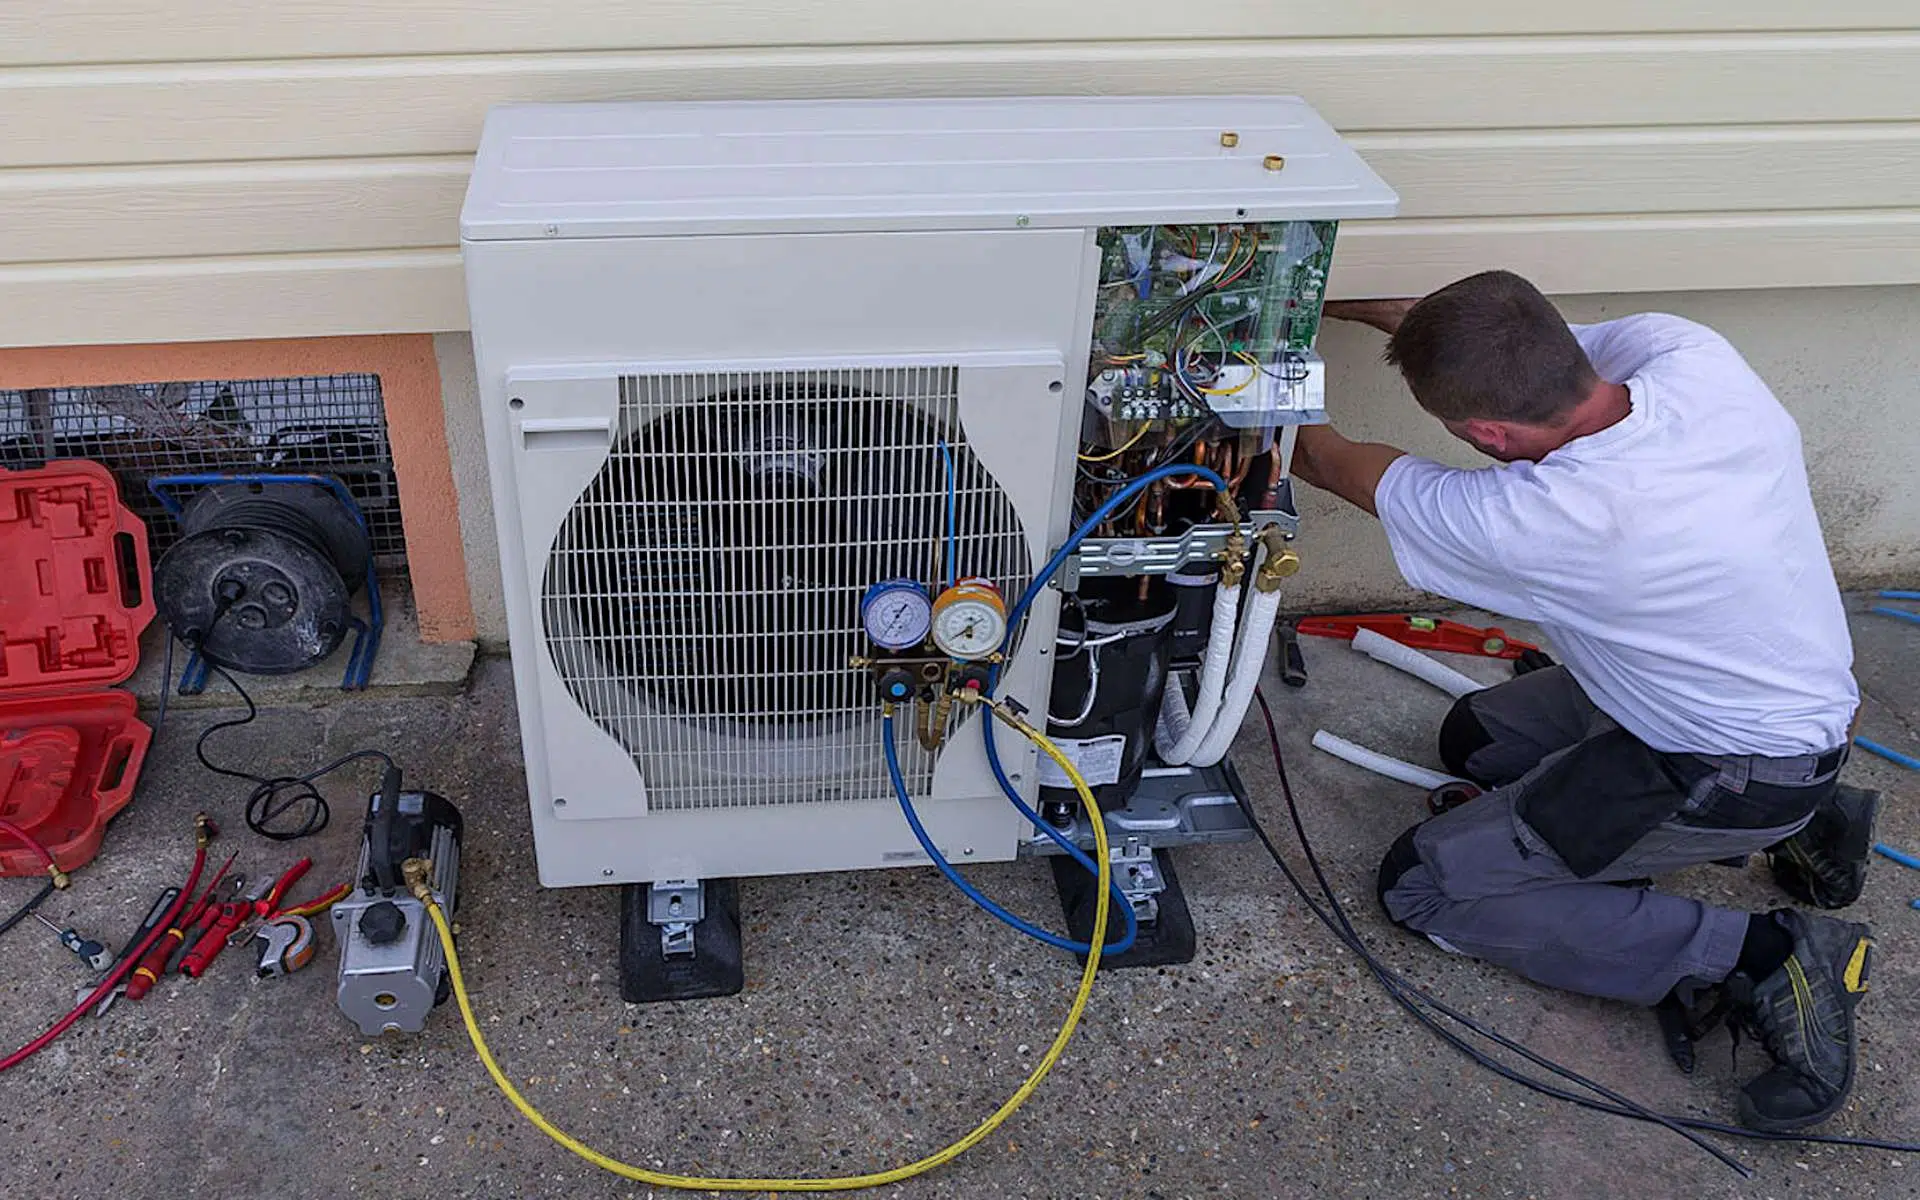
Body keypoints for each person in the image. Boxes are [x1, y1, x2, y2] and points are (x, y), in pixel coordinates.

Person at [1291, 270, 1877, 1133]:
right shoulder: (1689, 358)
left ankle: (1764, 956)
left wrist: (1261, 346)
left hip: (1726, 764)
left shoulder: (1552, 517)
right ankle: (1813, 818)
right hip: (1767, 697)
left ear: (1486, 432)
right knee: (1476, 740)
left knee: (1426, 886)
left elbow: (1314, 454)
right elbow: (1446, 324)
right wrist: (1298, 300)